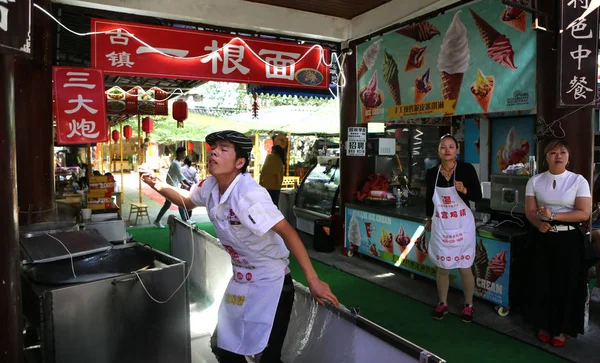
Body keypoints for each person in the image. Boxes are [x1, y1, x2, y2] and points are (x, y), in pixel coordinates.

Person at [140, 130, 338, 362]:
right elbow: (187, 200)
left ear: (240, 162)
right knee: (221, 345)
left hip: (270, 283)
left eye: (224, 149)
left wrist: (313, 279)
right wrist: (157, 184)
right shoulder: (211, 186)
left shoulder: (249, 195)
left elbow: (288, 232)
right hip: (241, 280)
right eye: (214, 147)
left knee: (268, 356)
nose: (214, 151)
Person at [524, 139, 591, 347]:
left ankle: (562, 329)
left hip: (569, 240)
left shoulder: (578, 181)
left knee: (567, 284)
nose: (558, 156)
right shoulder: (534, 181)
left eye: (562, 152)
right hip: (543, 238)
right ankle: (544, 324)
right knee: (542, 282)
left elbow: (584, 213)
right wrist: (539, 223)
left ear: (568, 157)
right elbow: (530, 211)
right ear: (546, 158)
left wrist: (554, 216)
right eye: (553, 153)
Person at [425, 134, 482, 323]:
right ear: (438, 151)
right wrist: (428, 219)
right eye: (443, 147)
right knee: (443, 267)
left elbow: (478, 197)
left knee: (465, 267)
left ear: (456, 150)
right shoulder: (432, 172)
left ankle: (469, 305)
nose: (447, 150)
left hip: (462, 226)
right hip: (442, 225)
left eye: (451, 146)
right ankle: (442, 303)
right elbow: (428, 199)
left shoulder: (466, 169)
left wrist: (465, 190)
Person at [153, 146, 190, 228]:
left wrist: (184, 184)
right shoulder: (176, 164)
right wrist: (189, 184)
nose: (184, 156)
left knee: (168, 204)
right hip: (171, 186)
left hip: (172, 185)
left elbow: (178, 176)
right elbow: (181, 177)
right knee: (180, 202)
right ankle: (185, 220)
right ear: (179, 154)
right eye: (183, 154)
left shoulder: (176, 163)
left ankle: (157, 221)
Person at [260, 135, 286, 206]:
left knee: (266, 205)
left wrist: (260, 181)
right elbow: (279, 174)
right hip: (276, 187)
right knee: (274, 206)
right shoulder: (280, 160)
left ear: (273, 150)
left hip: (267, 185)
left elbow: (264, 170)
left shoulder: (270, 157)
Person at [588, 166, 600, 303]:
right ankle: (597, 288)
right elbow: (587, 218)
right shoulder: (592, 194)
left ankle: (597, 288)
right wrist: (596, 212)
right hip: (594, 227)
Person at [181, 156, 199, 221]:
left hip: (183, 187)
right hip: (191, 187)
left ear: (185, 161)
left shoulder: (181, 169)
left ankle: (184, 218)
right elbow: (197, 180)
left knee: (183, 203)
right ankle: (189, 217)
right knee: (190, 202)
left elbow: (180, 179)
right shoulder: (194, 170)